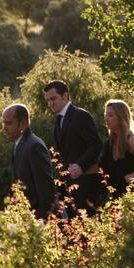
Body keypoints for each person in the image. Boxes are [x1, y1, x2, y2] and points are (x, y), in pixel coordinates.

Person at [42, 80, 104, 215]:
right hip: (69, 186)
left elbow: (96, 145)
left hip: (87, 185)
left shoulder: (80, 115)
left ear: (65, 96)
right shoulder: (59, 120)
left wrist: (80, 165)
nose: (50, 103)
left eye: (53, 98)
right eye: (48, 100)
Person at [2, 103, 56, 220]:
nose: (4, 127)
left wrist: (45, 221)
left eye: (9, 123)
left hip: (37, 219)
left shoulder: (34, 146)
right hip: (24, 217)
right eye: (3, 123)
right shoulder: (19, 144)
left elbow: (46, 189)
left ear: (23, 124)